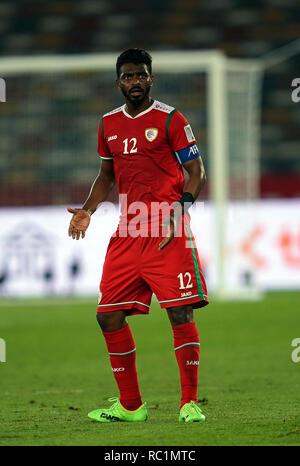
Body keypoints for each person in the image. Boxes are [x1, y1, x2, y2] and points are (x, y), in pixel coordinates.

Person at [67, 48, 209, 424]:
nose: (135, 82)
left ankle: (189, 403)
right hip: (128, 232)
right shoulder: (108, 123)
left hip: (167, 229)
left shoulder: (170, 119)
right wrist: (87, 210)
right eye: (128, 77)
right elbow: (106, 176)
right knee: (108, 317)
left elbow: (196, 172)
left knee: (180, 311)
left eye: (141, 75)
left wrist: (180, 210)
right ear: (118, 83)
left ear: (151, 79)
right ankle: (131, 406)